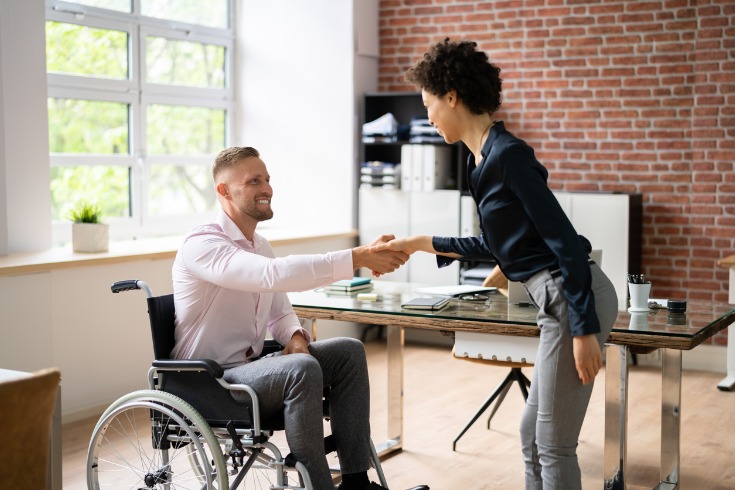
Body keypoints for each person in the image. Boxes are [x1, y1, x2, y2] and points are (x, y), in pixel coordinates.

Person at [371, 39, 619, 490]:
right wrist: (419, 243)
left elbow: (563, 240)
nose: (427, 117)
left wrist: (583, 330)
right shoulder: (478, 159)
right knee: (532, 434)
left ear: (452, 96)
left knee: (554, 442)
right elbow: (494, 240)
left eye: (428, 105)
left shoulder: (509, 156)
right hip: (552, 303)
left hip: (572, 296)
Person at [171, 146, 426, 490]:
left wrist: (294, 337)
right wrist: (359, 256)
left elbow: (279, 310)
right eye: (254, 181)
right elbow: (271, 276)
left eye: (267, 179)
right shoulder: (202, 244)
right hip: (209, 381)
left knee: (348, 352)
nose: (267, 188)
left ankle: (355, 482)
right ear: (224, 191)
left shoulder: (258, 244)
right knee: (301, 369)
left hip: (252, 369)